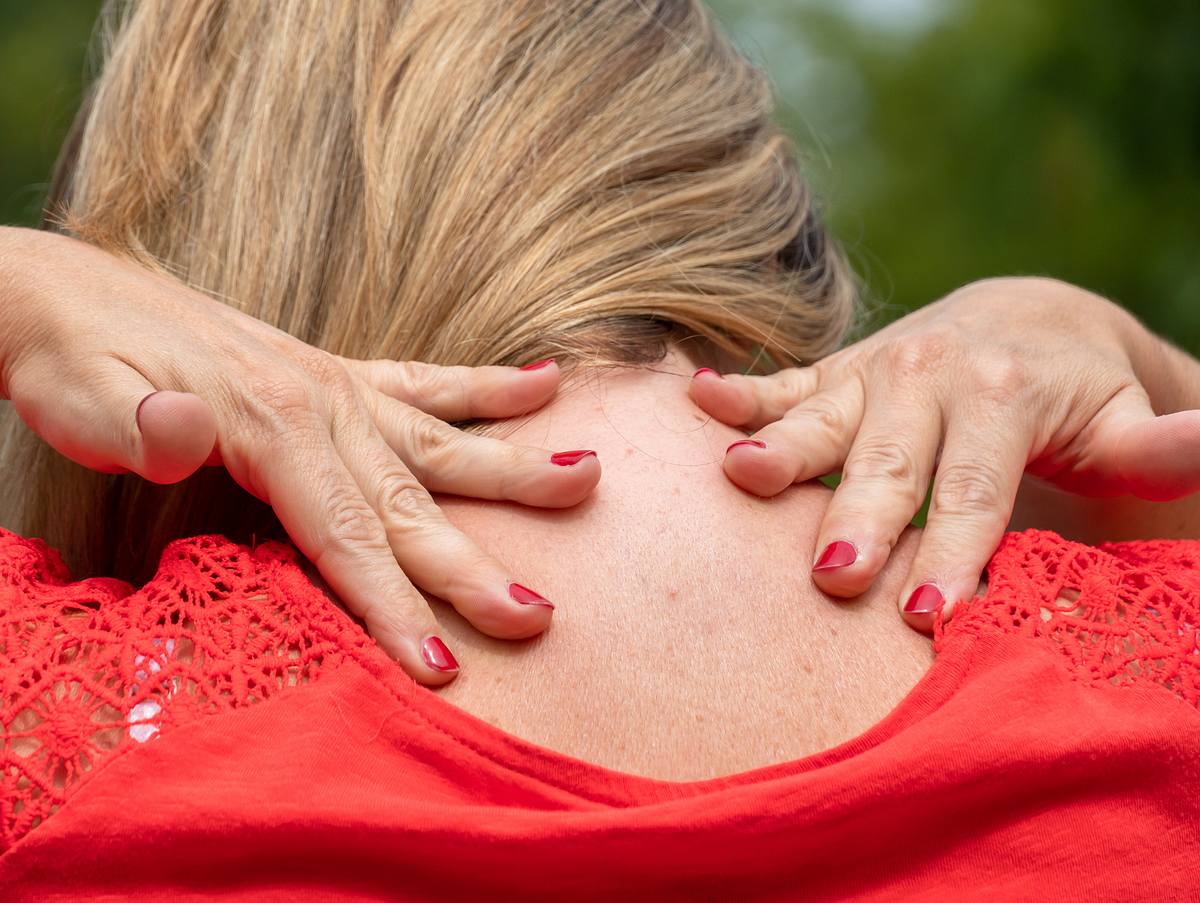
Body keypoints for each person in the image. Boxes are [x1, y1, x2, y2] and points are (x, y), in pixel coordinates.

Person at [0, 0, 1197, 898]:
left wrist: (20, 285)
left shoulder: (50, 724)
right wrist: (1137, 362)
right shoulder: (1154, 674)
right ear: (758, 219)